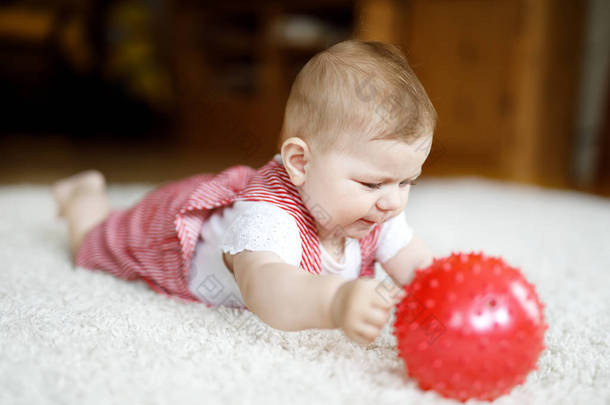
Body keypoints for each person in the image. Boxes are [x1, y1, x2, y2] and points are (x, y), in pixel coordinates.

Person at [52, 39, 437, 346]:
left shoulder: (377, 207)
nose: (393, 200)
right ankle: (82, 194)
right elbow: (267, 290)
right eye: (371, 184)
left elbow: (416, 264)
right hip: (172, 238)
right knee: (94, 241)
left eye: (407, 182)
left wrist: (447, 298)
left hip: (232, 198)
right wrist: (335, 302)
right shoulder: (268, 215)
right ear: (301, 163)